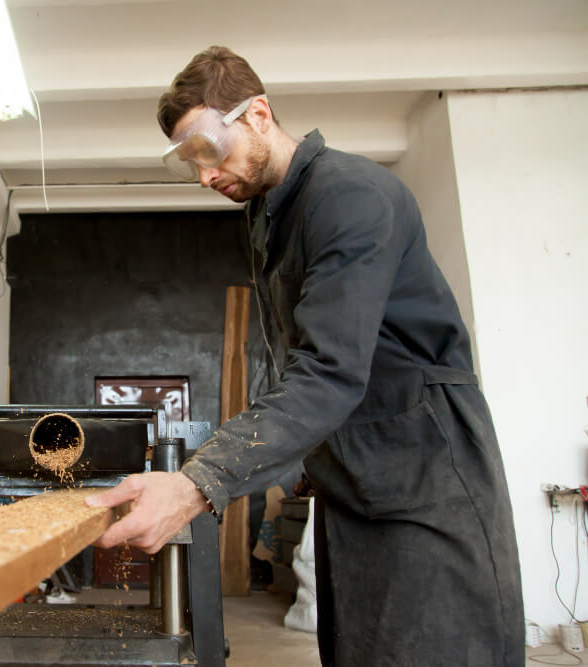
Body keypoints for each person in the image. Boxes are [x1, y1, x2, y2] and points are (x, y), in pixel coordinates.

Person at [85, 46, 524, 666]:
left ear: (258, 113)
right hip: (354, 485)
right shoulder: (269, 216)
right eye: (190, 164)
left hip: (426, 479)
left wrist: (199, 482)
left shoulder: (352, 196)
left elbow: (331, 370)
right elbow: (298, 362)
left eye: (209, 149)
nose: (206, 176)